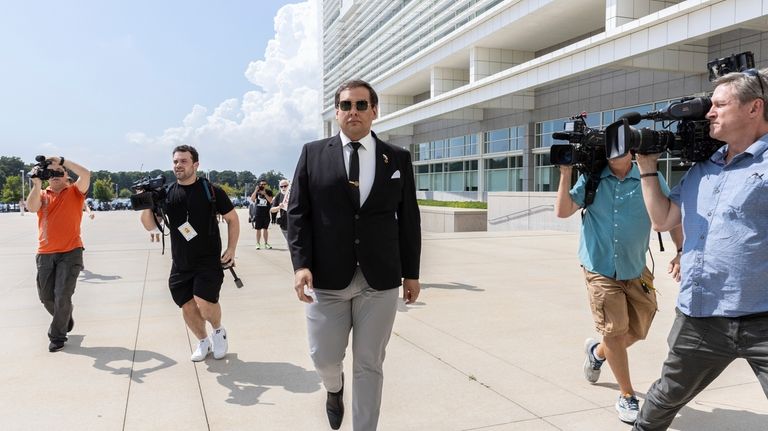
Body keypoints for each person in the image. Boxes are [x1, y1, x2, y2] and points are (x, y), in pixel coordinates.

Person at [633, 69, 768, 430]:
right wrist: (647, 169)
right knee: (664, 398)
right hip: (701, 316)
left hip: (763, 319)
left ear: (754, 108)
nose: (710, 112)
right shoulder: (701, 170)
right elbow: (663, 219)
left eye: (720, 105)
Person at [288, 79, 421, 431]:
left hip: (379, 281)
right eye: (346, 105)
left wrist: (412, 273)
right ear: (336, 113)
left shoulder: (398, 158)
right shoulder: (312, 154)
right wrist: (301, 265)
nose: (354, 112)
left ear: (374, 111)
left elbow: (409, 219)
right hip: (327, 279)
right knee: (324, 358)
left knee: (369, 364)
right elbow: (298, 214)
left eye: (361, 105)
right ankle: (334, 388)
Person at [555, 151, 683, 424]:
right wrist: (566, 174)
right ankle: (626, 395)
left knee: (639, 328)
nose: (617, 152)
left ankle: (597, 353)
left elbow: (671, 213)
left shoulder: (650, 177)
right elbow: (563, 211)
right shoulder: (592, 178)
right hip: (599, 267)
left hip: (635, 267)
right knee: (614, 331)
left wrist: (681, 249)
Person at [140, 145, 240, 362]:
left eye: (183, 161)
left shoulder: (211, 190)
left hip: (208, 258)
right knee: (186, 304)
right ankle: (204, 341)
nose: (178, 165)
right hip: (181, 261)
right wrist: (148, 203)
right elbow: (150, 226)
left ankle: (218, 331)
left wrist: (231, 249)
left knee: (204, 300)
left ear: (195, 164)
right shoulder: (166, 194)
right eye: (175, 161)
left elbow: (233, 219)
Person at [25, 156, 91, 352]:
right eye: (51, 173)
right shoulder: (42, 194)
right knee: (46, 297)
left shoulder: (75, 192)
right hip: (45, 253)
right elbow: (31, 207)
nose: (54, 176)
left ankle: (57, 336)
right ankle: (65, 316)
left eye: (59, 173)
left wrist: (62, 160)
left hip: (71, 252)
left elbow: (86, 174)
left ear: (66, 176)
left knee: (62, 294)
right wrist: (36, 184)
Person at [249, 179, 273, 249]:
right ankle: (258, 243)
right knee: (258, 229)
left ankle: (266, 243)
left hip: (266, 213)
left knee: (265, 229)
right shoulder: (257, 191)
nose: (263, 186)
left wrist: (265, 194)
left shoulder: (268, 192)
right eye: (261, 184)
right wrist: (256, 190)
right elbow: (252, 199)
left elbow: (270, 200)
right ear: (259, 185)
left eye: (264, 184)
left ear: (266, 185)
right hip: (258, 213)